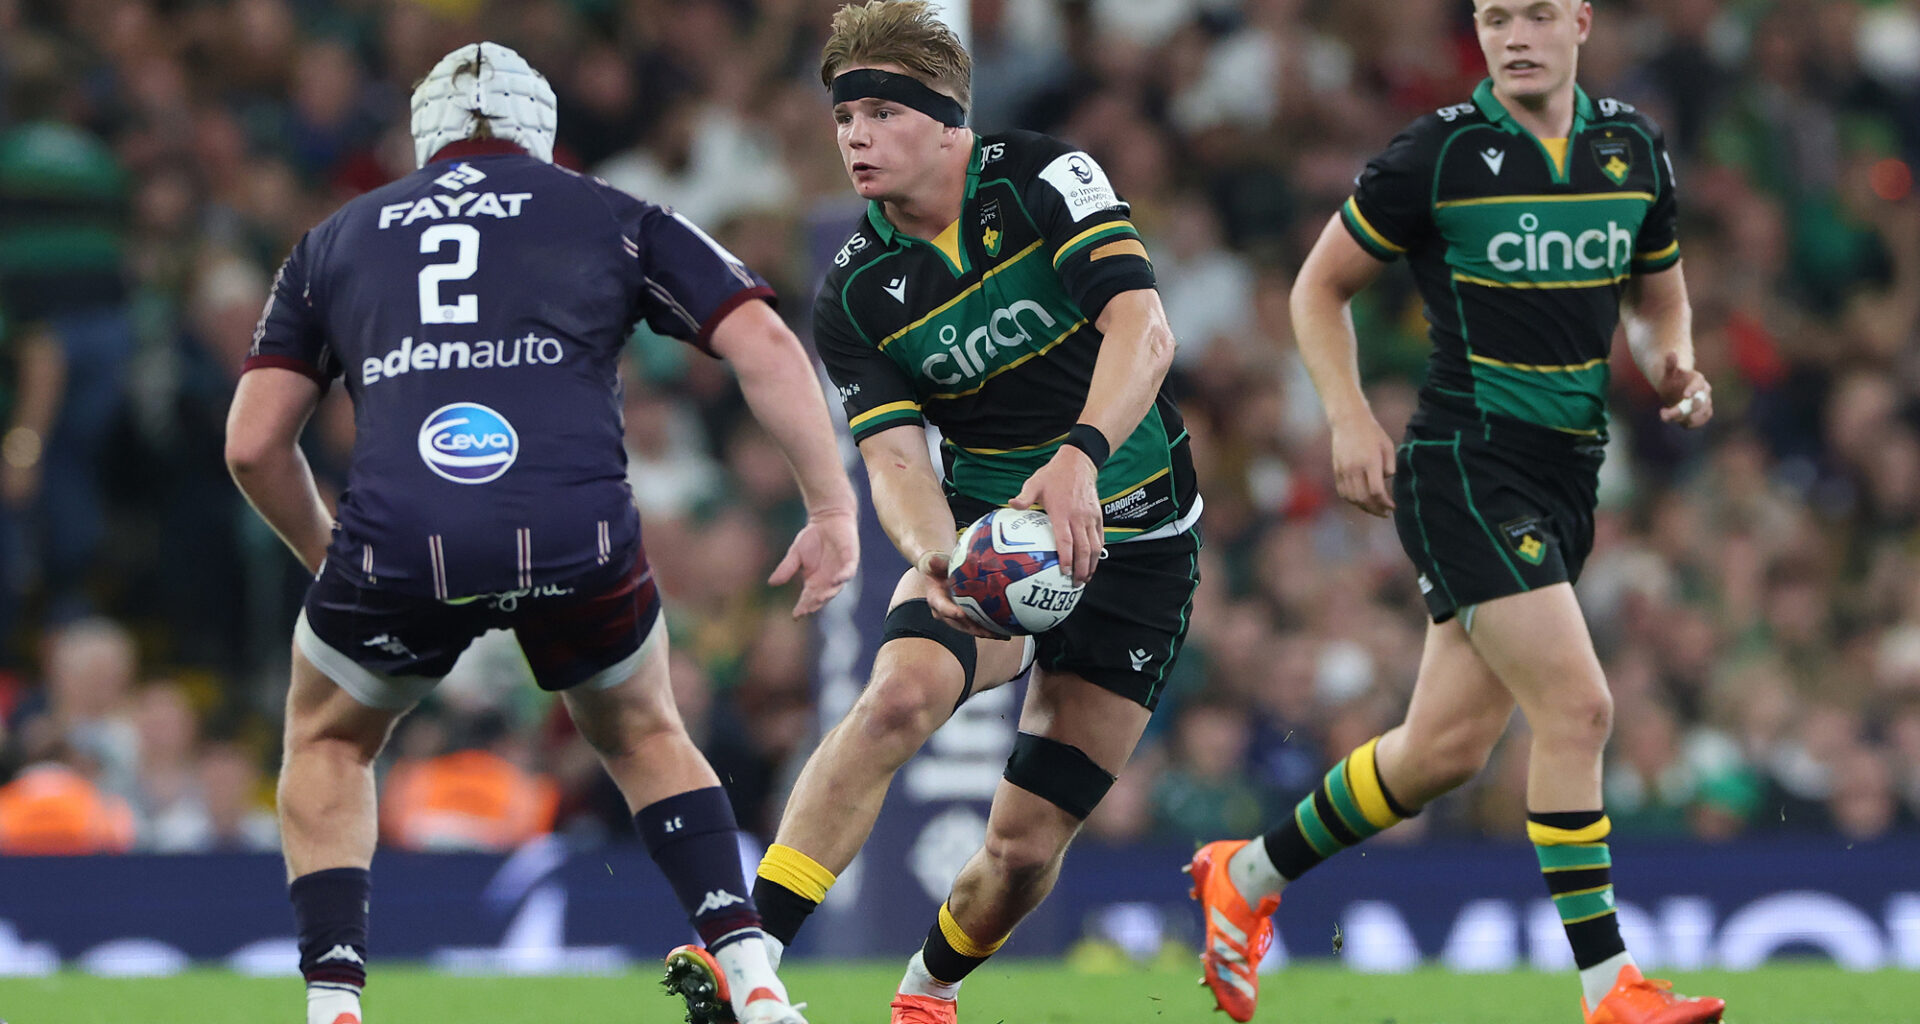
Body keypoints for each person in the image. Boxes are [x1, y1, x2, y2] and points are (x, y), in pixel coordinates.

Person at [226, 42, 856, 1024]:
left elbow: (253, 446)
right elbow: (765, 342)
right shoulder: (611, 211)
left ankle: (335, 1003)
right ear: (544, 133)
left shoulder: (335, 237)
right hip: (571, 532)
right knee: (646, 732)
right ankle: (754, 977)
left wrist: (329, 558)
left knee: (328, 742)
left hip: (399, 537)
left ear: (423, 137)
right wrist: (830, 506)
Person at [1189, 3, 1725, 1023]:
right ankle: (1612, 987)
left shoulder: (1632, 149)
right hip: (1466, 465)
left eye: (1534, 13)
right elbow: (1317, 290)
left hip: (1572, 473)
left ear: (1580, 19)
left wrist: (1674, 370)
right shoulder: (1435, 154)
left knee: (1441, 751)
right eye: (1492, 15)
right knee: (1582, 708)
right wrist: (1347, 416)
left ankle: (1248, 875)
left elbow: (1660, 301)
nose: (1512, 34)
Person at [665, 4, 1198, 1023]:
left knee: (1020, 850)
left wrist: (1080, 456)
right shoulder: (856, 293)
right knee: (898, 698)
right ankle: (746, 963)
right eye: (842, 116)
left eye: (877, 112)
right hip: (998, 544)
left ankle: (927, 991)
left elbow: (1146, 324)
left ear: (948, 119)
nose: (853, 135)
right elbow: (897, 459)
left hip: (1138, 555)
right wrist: (940, 553)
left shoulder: (1044, 180)